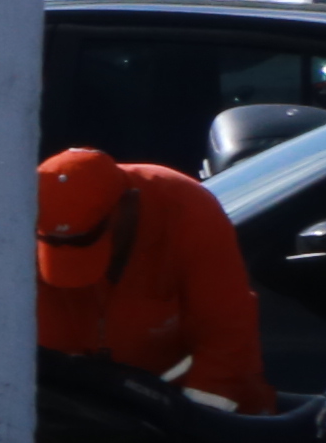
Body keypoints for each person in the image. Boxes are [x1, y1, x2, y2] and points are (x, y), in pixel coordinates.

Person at [35, 144, 268, 412]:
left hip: (198, 404)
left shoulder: (187, 211)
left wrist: (196, 424)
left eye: (88, 240)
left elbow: (227, 333)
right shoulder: (21, 225)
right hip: (93, 418)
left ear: (129, 203)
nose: (72, 256)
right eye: (54, 244)